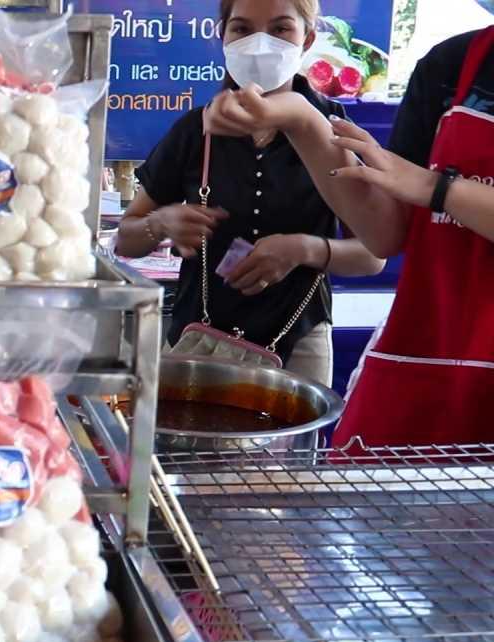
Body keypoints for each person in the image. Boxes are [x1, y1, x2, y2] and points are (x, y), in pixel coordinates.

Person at [201, 22, 494, 446]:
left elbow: (419, 190)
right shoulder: (451, 65)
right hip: (436, 351)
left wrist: (439, 190)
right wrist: (302, 120)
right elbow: (385, 235)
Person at [115, 0, 384, 385]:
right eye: (242, 29)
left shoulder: (335, 132)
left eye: (280, 29)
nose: (260, 45)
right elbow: (126, 239)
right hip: (198, 340)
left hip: (297, 342)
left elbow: (372, 256)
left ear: (307, 39)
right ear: (222, 38)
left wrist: (304, 249)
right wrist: (160, 224)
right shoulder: (195, 130)